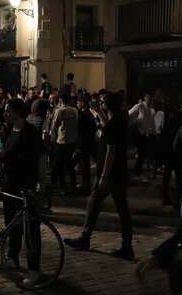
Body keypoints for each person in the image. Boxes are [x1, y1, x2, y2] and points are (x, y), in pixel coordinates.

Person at [64, 92, 134, 260]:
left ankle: (85, 238)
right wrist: (99, 112)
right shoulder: (120, 120)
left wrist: (103, 176)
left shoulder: (113, 124)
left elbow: (111, 150)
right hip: (120, 173)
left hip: (110, 175)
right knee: (121, 210)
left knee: (94, 204)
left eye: (102, 103)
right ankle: (126, 246)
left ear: (107, 105)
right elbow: (108, 126)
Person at [0, 98, 43, 286]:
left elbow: (33, 160)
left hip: (25, 187)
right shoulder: (10, 131)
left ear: (18, 113)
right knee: (12, 224)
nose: (5, 114)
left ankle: (34, 269)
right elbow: (9, 156)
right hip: (9, 185)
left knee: (30, 230)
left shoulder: (30, 133)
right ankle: (12, 257)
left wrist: (39, 185)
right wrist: (0, 155)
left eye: (8, 110)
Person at [50, 93, 79, 193]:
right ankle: (73, 183)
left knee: (59, 163)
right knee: (69, 163)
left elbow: (54, 126)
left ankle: (62, 185)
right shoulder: (75, 110)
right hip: (72, 140)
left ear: (60, 101)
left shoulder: (59, 111)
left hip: (61, 141)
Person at [128, 92, 156, 184]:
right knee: (141, 154)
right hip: (138, 133)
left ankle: (138, 173)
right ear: (144, 97)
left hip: (145, 134)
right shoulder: (139, 106)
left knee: (142, 155)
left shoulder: (150, 109)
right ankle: (137, 174)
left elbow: (149, 122)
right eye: (147, 96)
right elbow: (128, 114)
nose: (149, 98)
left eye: (150, 97)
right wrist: (134, 121)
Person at [76, 95, 96, 193]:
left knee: (84, 164)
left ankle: (86, 183)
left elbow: (80, 130)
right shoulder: (89, 114)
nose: (77, 104)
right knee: (84, 163)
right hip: (88, 141)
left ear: (82, 103)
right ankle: (86, 182)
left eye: (78, 102)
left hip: (84, 142)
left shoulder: (84, 115)